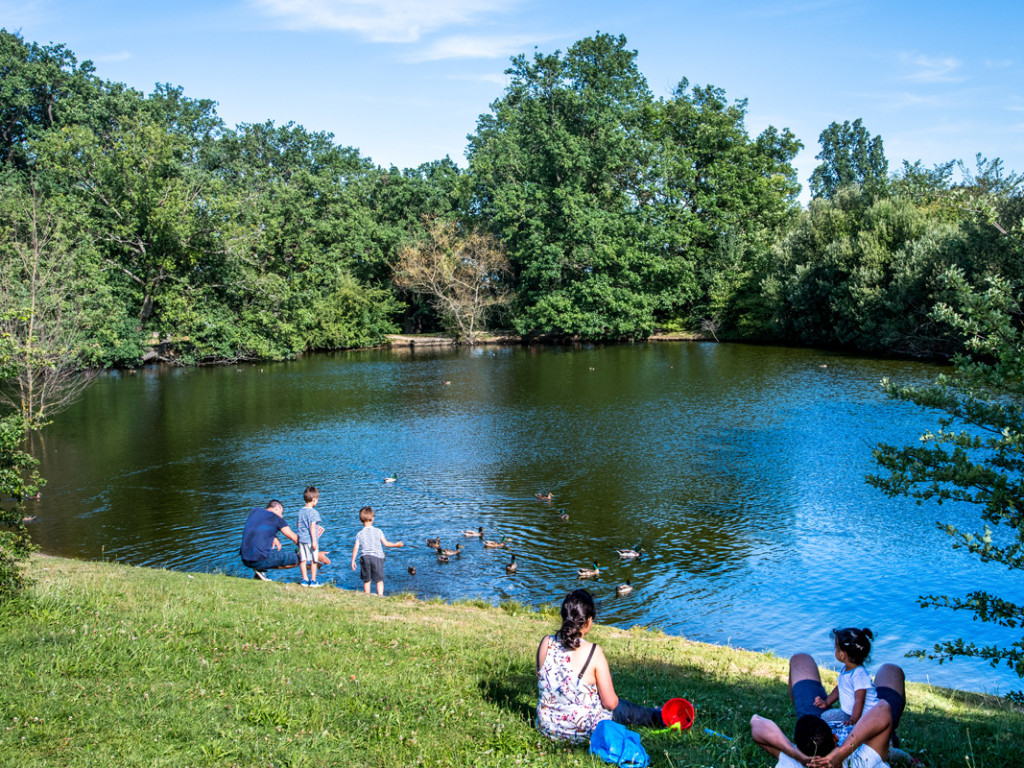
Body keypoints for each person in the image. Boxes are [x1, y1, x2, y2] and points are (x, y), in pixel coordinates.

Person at [536, 589, 663, 744]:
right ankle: (659, 716)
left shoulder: (546, 643)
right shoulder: (593, 652)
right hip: (581, 732)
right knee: (622, 707)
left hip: (547, 727)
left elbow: (544, 682)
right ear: (588, 621)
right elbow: (610, 703)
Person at [239, 500, 325, 580]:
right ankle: (260, 569)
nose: (282, 516)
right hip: (258, 559)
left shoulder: (255, 511)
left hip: (245, 558)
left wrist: (274, 536)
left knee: (265, 551)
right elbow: (294, 538)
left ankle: (259, 572)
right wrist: (314, 553)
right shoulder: (277, 519)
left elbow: (258, 527)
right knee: (297, 559)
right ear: (277, 508)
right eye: (281, 513)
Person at [814, 628, 879, 728]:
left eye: (836, 648)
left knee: (825, 719)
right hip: (849, 713)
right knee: (825, 718)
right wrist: (827, 702)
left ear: (842, 654)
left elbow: (859, 700)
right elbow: (841, 687)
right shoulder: (847, 669)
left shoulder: (859, 674)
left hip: (865, 717)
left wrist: (853, 720)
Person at [350, 506, 403, 596]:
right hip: (377, 558)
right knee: (379, 580)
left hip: (365, 557)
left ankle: (367, 596)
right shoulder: (378, 531)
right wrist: (396, 544)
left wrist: (353, 560)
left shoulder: (359, 534)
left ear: (360, 520)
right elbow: (386, 543)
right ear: (373, 518)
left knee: (367, 580)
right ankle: (380, 596)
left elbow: (355, 548)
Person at [296, 486, 324, 588]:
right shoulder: (314, 513)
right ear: (314, 500)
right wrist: (314, 541)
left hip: (302, 540)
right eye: (317, 499)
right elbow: (313, 527)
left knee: (303, 560)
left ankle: (304, 580)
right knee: (314, 560)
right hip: (310, 540)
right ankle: (313, 581)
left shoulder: (300, 511)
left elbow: (298, 525)